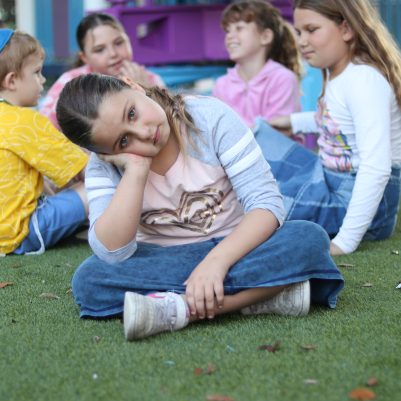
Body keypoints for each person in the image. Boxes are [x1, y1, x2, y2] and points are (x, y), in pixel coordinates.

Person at [55, 73, 343, 341]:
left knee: (309, 238)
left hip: (238, 248)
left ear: (133, 85)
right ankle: (261, 296)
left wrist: (217, 262)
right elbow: (112, 252)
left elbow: (266, 204)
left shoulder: (209, 117)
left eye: (132, 113)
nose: (143, 133)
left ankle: (180, 308)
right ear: (105, 154)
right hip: (167, 260)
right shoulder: (104, 167)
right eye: (123, 141)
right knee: (89, 281)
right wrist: (136, 171)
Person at [256, 0, 401, 255]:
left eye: (312, 30)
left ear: (346, 29)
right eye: (299, 32)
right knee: (261, 139)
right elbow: (339, 122)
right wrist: (293, 123)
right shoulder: (339, 72)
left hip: (358, 201)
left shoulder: (363, 81)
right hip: (328, 177)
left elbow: (377, 168)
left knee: (264, 205)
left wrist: (344, 241)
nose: (301, 41)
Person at [0, 29, 89, 256]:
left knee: (50, 183)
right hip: (22, 232)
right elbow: (87, 169)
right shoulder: (26, 121)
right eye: (37, 73)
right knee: (99, 185)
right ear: (12, 81)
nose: (42, 81)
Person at [40, 12, 164, 129]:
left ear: (129, 40)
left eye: (119, 42)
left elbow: (171, 124)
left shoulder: (150, 79)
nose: (113, 53)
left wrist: (146, 89)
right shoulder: (70, 83)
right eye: (99, 50)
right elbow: (45, 127)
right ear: (85, 58)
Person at [212, 0, 302, 128]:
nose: (229, 36)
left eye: (239, 28)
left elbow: (278, 133)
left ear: (265, 37)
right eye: (227, 30)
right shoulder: (222, 85)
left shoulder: (282, 79)